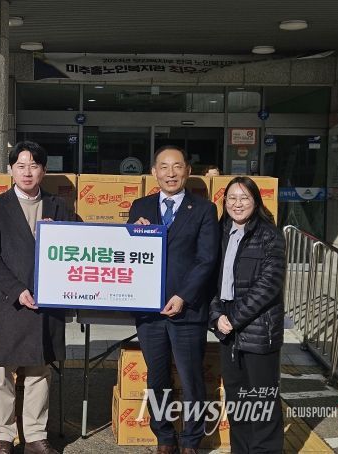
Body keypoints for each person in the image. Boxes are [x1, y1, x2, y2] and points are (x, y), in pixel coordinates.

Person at [0, 141, 72, 454]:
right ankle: (4, 437)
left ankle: (34, 436)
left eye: (34, 165)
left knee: (39, 370)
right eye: (21, 166)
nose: (27, 172)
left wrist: (61, 232)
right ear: (10, 170)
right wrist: (17, 289)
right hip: (11, 302)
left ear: (44, 170)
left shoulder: (58, 206)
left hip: (46, 303)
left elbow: (82, 244)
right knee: (2, 372)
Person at [128, 145, 219, 454]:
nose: (171, 173)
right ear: (154, 172)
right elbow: (129, 255)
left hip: (187, 311)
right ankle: (164, 437)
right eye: (164, 167)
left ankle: (191, 440)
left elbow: (207, 260)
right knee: (157, 378)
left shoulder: (204, 209)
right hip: (149, 313)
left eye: (177, 166)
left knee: (192, 379)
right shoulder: (140, 206)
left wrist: (183, 296)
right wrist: (132, 233)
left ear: (187, 171)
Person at [209, 176, 285, 453]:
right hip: (228, 329)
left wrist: (234, 318)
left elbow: (269, 285)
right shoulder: (220, 233)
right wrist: (216, 316)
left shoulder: (269, 235)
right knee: (237, 400)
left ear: (256, 201)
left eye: (244, 198)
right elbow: (211, 280)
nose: (237, 204)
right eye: (232, 198)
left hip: (258, 329)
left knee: (262, 401)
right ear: (224, 201)